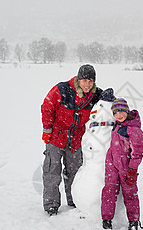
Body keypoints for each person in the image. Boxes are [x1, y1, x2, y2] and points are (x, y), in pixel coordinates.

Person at [41, 64, 116, 216]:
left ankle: (74, 200)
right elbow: (46, 107)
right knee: (52, 171)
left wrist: (110, 98)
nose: (87, 84)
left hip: (76, 140)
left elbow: (105, 105)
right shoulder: (62, 89)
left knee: (75, 172)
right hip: (56, 137)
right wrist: (47, 130)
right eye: (84, 81)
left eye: (90, 81)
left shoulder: (95, 95)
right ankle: (51, 204)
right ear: (78, 79)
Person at [101, 98, 143, 230]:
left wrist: (132, 169)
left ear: (126, 111)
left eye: (121, 111)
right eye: (115, 113)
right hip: (112, 163)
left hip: (127, 166)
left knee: (130, 193)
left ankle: (134, 220)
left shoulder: (134, 130)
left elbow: (138, 153)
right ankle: (107, 219)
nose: (118, 115)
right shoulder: (118, 124)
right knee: (109, 190)